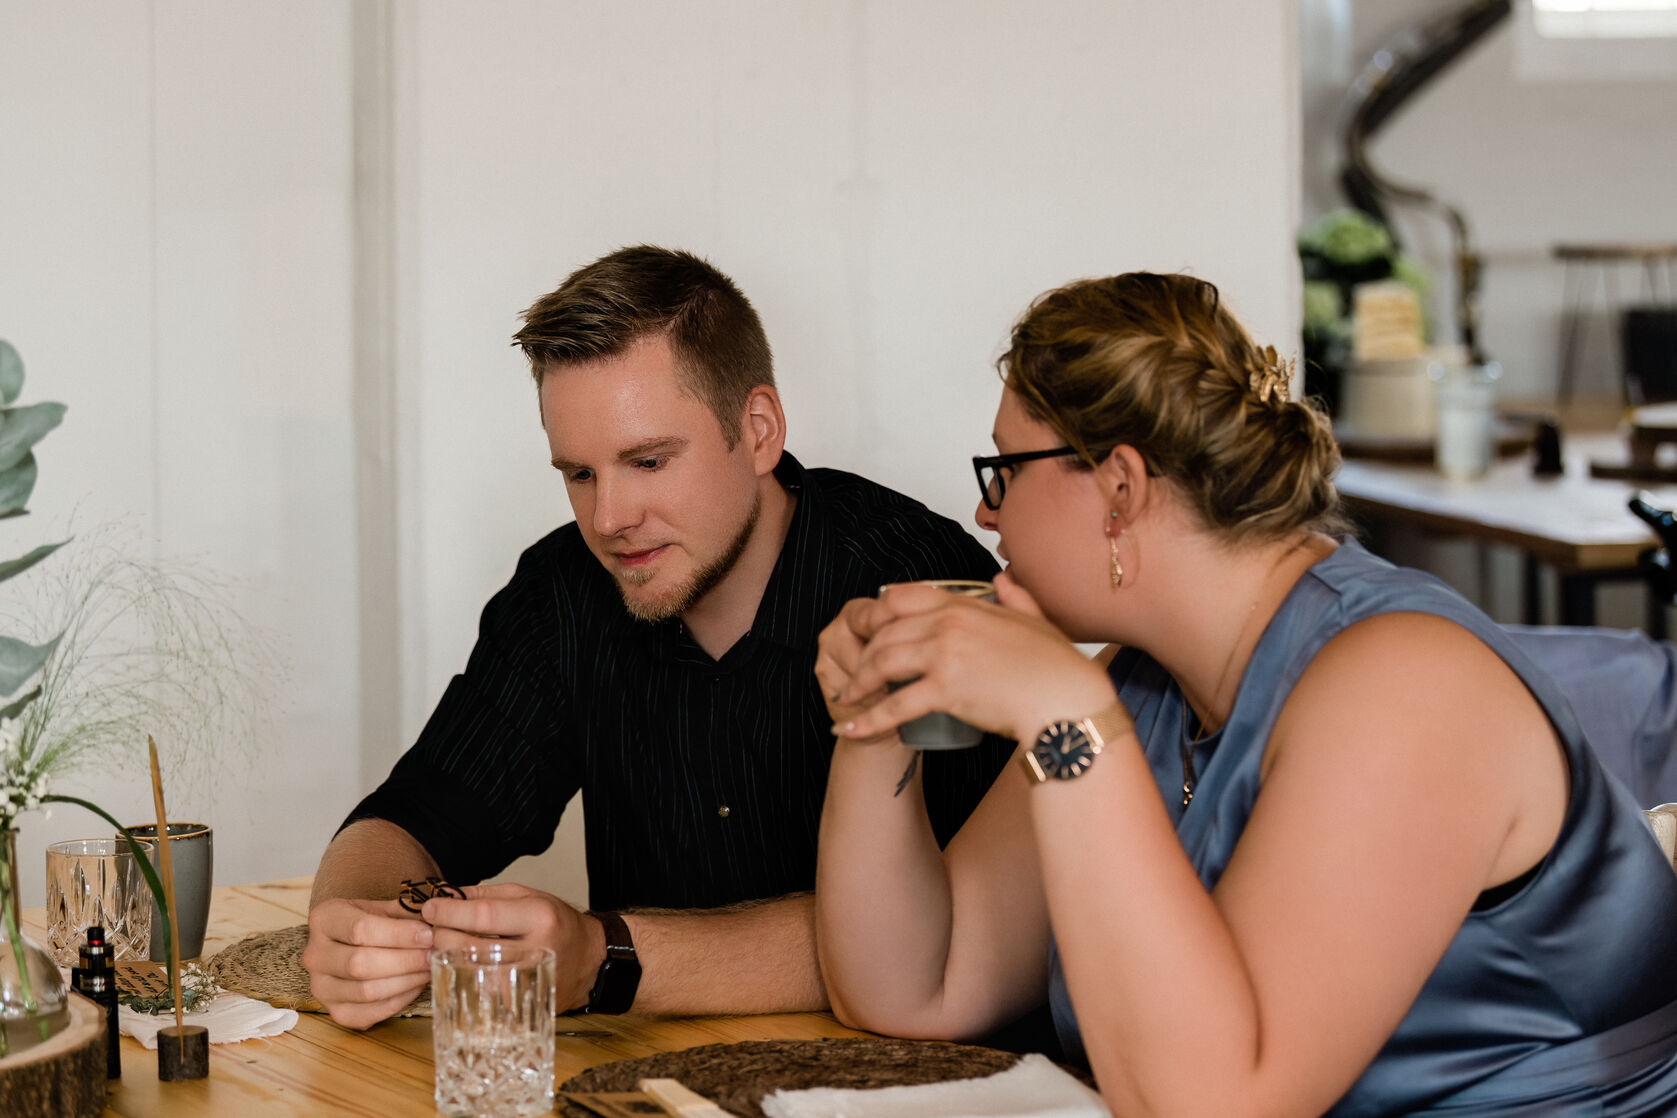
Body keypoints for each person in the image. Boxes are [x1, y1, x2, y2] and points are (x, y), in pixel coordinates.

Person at [814, 272, 1677, 1115]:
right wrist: (876, 716)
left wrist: (1066, 721)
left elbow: (1215, 1103)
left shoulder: (1401, 689)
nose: (984, 514)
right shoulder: (1143, 681)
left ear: (1120, 486)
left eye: (1003, 470)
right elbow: (917, 988)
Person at [304, 245, 1012, 1029]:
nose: (609, 519)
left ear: (759, 430)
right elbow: (410, 818)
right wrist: (363, 925)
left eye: (647, 460)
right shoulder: (561, 591)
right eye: (578, 474)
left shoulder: (919, 580)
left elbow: (966, 921)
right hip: (631, 1086)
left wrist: (603, 954)